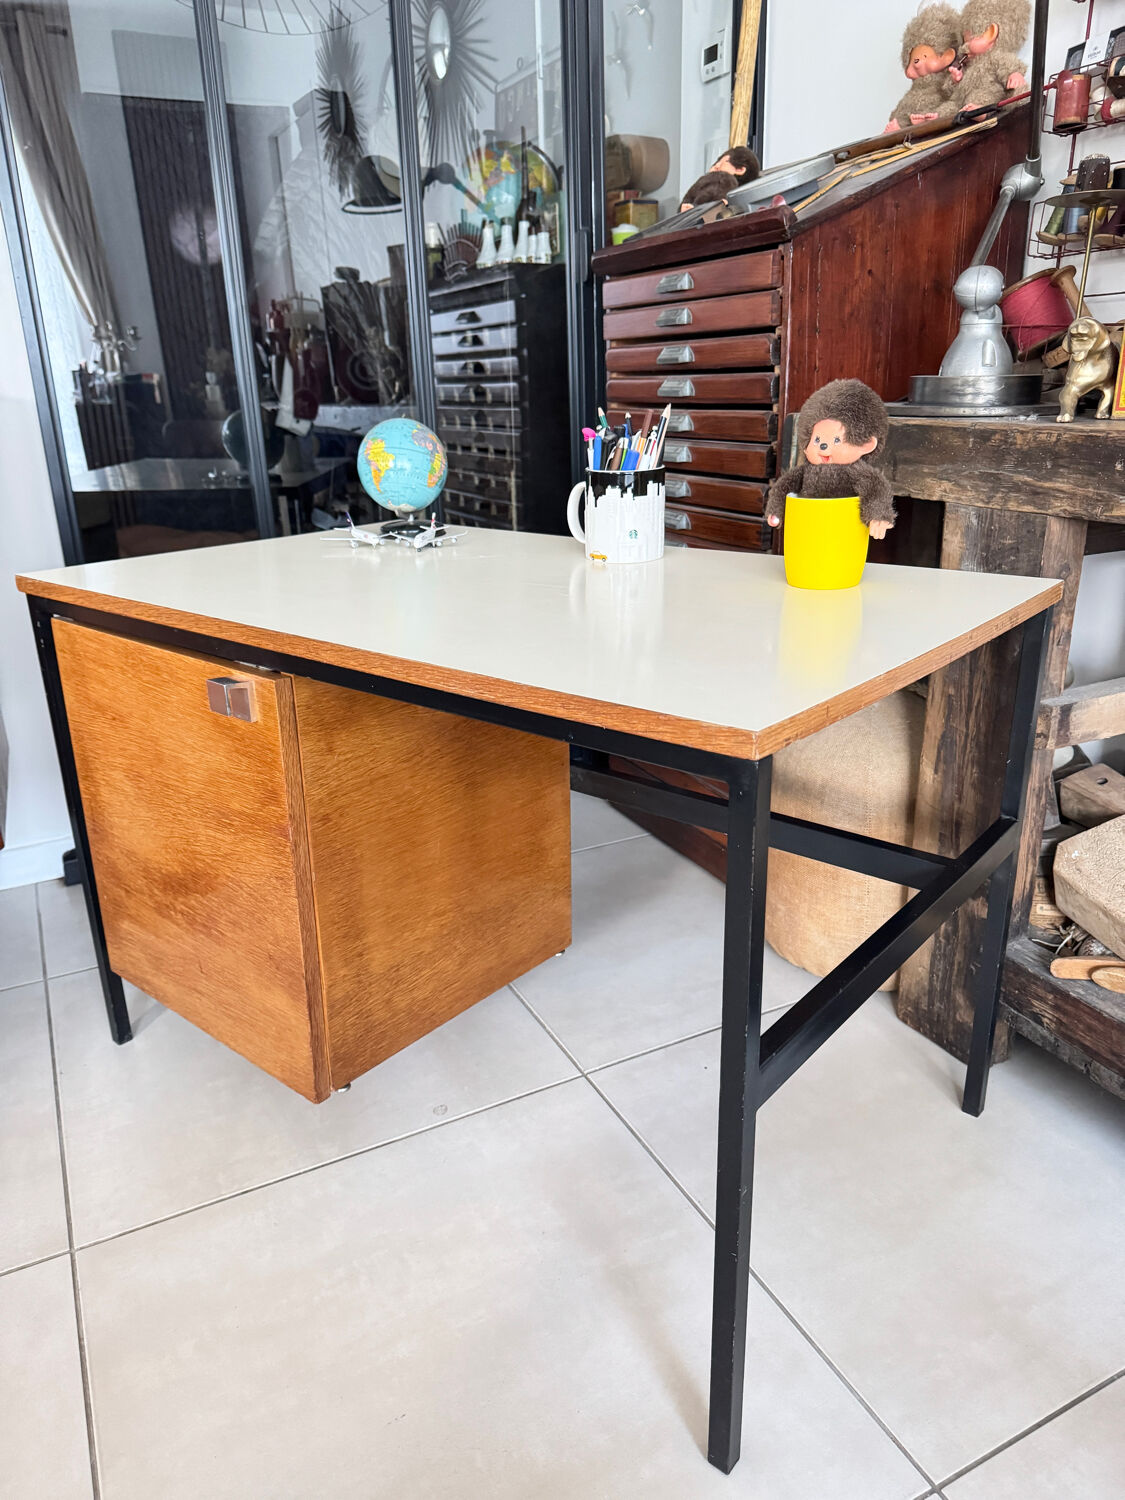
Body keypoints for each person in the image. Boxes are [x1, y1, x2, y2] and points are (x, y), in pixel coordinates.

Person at [679, 146, 761, 212]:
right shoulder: (746, 205)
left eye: (725, 161)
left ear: (740, 170)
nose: (716, 166)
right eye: (717, 162)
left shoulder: (724, 179)